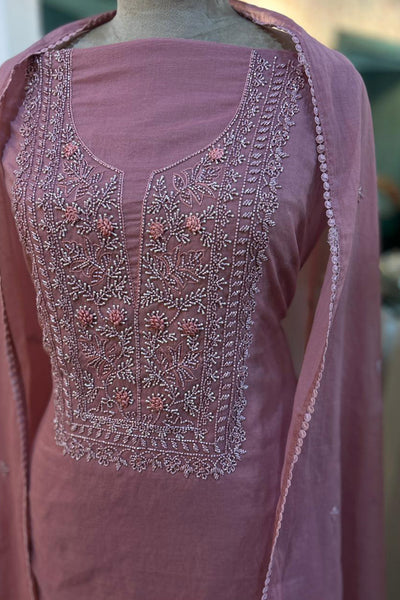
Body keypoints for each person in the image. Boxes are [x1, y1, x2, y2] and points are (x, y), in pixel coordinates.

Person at [0, 1, 385, 599]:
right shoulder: (22, 86)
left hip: (241, 523)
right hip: (68, 513)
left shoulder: (322, 88)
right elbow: (18, 324)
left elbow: (339, 336)